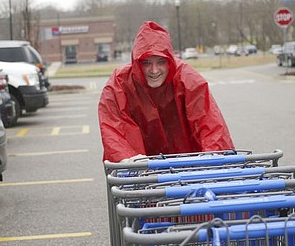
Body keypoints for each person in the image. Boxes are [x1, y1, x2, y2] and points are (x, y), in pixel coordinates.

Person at [98, 21, 234, 162]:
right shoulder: (119, 84)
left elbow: (209, 122)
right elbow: (112, 127)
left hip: (190, 166)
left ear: (169, 61)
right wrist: (126, 158)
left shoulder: (187, 80)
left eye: (161, 62)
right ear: (137, 62)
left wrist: (212, 155)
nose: (154, 70)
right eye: (147, 63)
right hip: (141, 170)